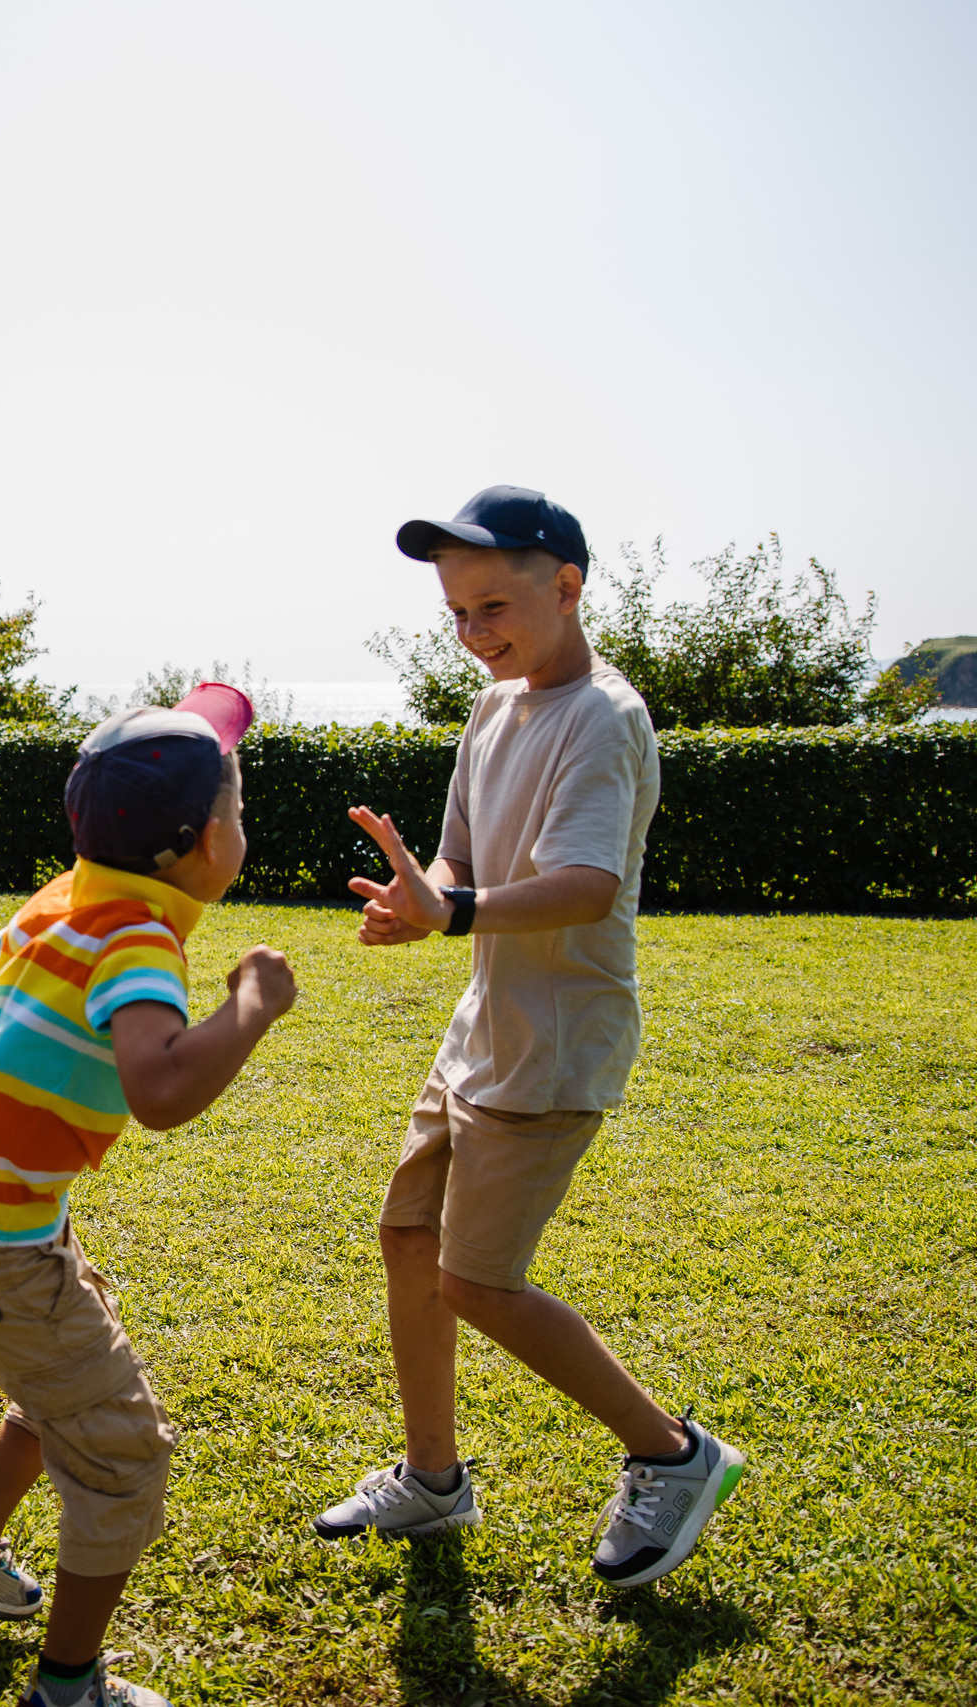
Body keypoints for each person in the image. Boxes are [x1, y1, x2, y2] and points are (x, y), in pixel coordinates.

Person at [311, 486, 747, 1588]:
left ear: (567, 586)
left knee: (480, 1282)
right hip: (479, 1032)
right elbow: (462, 862)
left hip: (553, 1043)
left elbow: (584, 886)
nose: (472, 634)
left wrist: (452, 911)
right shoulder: (491, 711)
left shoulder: (604, 716)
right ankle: (431, 1479)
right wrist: (426, 899)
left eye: (492, 606)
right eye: (455, 614)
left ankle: (673, 1454)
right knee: (408, 1238)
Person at [0, 685, 297, 1707]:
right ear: (197, 844)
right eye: (236, 812)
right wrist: (250, 1005)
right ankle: (68, 1687)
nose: (239, 827)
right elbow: (159, 1090)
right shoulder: (137, 941)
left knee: (56, 1391)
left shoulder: (68, 897)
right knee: (122, 1452)